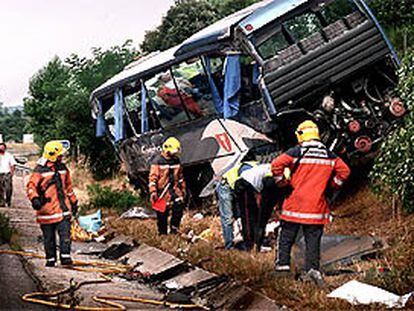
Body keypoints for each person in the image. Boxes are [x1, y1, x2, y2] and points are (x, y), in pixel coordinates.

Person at [271, 120, 350, 285]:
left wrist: (281, 183)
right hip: (316, 208)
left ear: (300, 135)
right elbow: (345, 171)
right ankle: (312, 270)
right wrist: (333, 185)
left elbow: (277, 164)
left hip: (294, 205)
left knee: (286, 237)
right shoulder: (329, 155)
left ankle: (282, 268)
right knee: (312, 241)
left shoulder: (297, 152)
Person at [26, 140, 78, 267]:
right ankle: (50, 258)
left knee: (65, 234)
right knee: (48, 237)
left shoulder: (63, 169)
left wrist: (74, 202)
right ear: (52, 155)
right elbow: (31, 186)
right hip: (46, 211)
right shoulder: (40, 170)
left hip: (63, 209)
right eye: (60, 155)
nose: (62, 157)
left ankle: (65, 257)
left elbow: (68, 187)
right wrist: (34, 199)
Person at [149, 137, 186, 235]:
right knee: (162, 214)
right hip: (162, 192)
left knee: (178, 210)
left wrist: (183, 189)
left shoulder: (176, 161)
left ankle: (174, 230)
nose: (174, 154)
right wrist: (153, 191)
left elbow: (180, 176)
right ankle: (163, 234)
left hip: (174, 190)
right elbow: (153, 178)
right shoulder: (157, 161)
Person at [215, 161, 256, 250]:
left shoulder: (257, 170)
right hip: (225, 185)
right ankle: (229, 245)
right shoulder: (247, 172)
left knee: (241, 215)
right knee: (228, 217)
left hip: (237, 188)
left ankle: (244, 240)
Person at [234, 163, 275, 251]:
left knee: (255, 215)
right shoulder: (273, 173)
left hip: (251, 186)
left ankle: (256, 241)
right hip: (244, 185)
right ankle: (249, 244)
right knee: (248, 216)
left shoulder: (272, 170)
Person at [0, 143, 16, 207]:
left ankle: (8, 200)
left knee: (8, 188)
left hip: (7, 173)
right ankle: (1, 202)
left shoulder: (9, 155)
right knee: (0, 189)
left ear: (5, 148)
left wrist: (12, 173)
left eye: (2, 147)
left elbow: (12, 164)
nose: (1, 149)